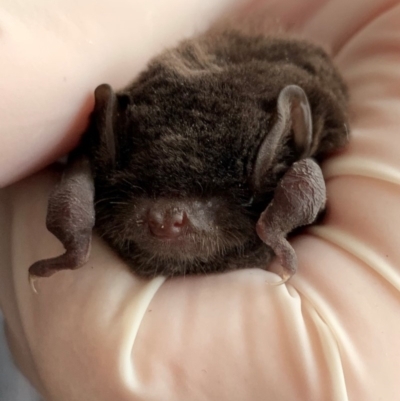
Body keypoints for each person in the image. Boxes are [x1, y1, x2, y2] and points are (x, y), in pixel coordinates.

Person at [1, 0, 399, 400]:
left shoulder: (292, 167)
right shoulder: (108, 151)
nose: (169, 220)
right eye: (155, 198)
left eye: (205, 203)